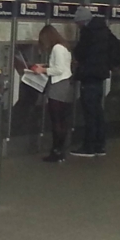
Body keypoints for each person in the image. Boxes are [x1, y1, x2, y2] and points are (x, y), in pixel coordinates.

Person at [70, 6, 120, 157]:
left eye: (77, 23)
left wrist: (78, 59)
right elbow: (117, 51)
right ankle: (100, 145)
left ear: (81, 21)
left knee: (90, 113)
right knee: (98, 112)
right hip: (99, 75)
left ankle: (89, 147)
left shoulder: (88, 33)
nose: (77, 26)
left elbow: (80, 53)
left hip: (89, 75)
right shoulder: (105, 31)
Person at [32, 25, 73, 163]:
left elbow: (59, 69)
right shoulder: (63, 47)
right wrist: (45, 66)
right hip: (63, 84)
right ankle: (59, 151)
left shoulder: (57, 48)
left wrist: (42, 71)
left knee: (56, 120)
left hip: (58, 84)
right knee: (61, 120)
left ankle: (56, 151)